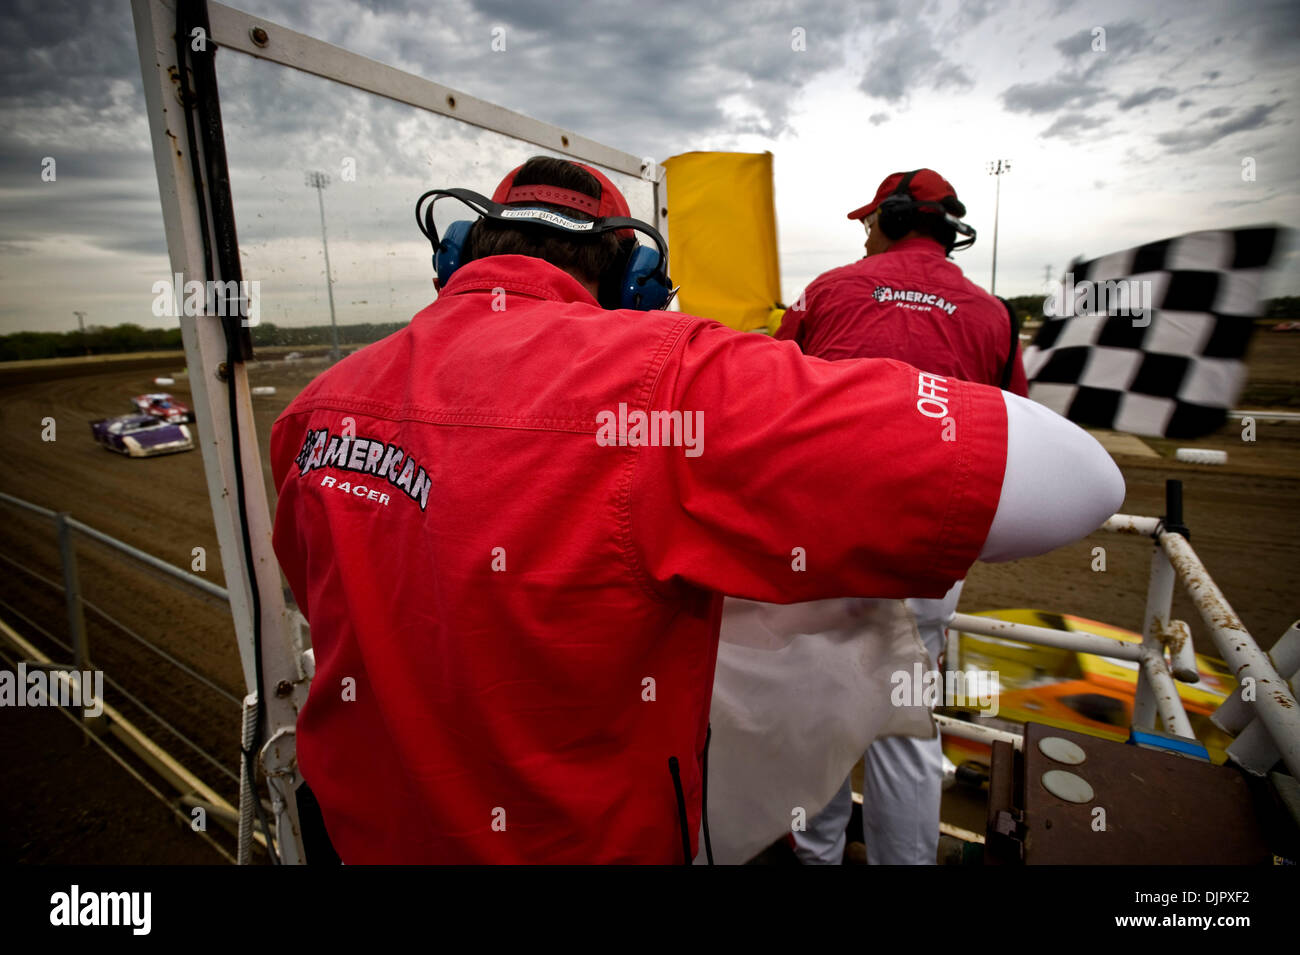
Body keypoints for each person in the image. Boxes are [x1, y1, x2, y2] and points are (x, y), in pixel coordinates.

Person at [269, 156, 1123, 864]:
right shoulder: (667, 383)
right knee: (891, 723)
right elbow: (1083, 478)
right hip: (598, 843)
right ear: (637, 281)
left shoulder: (309, 411)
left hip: (356, 841)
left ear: (458, 254)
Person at [778, 167, 1036, 865]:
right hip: (932, 552)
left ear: (892, 217)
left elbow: (771, 407)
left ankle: (816, 856)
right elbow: (1017, 429)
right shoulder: (994, 313)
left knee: (816, 719)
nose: (863, 233)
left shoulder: (824, 290)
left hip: (823, 547)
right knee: (907, 727)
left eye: (869, 220)